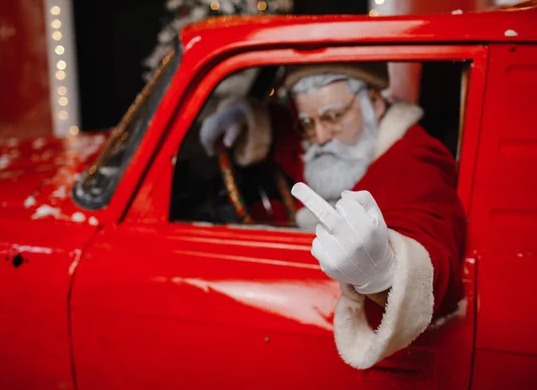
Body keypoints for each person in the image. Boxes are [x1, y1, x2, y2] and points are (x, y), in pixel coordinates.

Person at [198, 62, 466, 369]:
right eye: (308, 124)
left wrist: (386, 272)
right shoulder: (337, 144)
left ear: (375, 103)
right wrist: (250, 119)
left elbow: (430, 236)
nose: (321, 137)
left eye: (334, 116)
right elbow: (290, 136)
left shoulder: (414, 161)